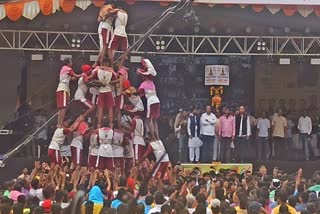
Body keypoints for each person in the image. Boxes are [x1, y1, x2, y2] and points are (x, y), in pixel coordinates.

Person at [137, 59, 160, 141]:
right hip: (157, 100)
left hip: (150, 101)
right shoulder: (152, 82)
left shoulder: (143, 84)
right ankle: (157, 137)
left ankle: (153, 137)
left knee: (149, 120)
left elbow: (139, 93)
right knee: (154, 120)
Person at [56, 58, 82, 127]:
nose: (72, 63)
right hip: (63, 89)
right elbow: (75, 75)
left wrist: (80, 77)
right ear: (68, 63)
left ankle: (59, 123)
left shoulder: (63, 69)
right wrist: (83, 75)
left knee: (61, 108)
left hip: (60, 88)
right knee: (63, 107)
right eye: (71, 62)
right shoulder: (67, 68)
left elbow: (73, 78)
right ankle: (60, 124)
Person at [96, 1, 117, 66]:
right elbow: (100, 19)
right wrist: (110, 15)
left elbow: (99, 19)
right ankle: (99, 62)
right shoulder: (108, 8)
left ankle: (102, 62)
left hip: (106, 27)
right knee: (105, 47)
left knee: (106, 47)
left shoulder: (104, 8)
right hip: (105, 27)